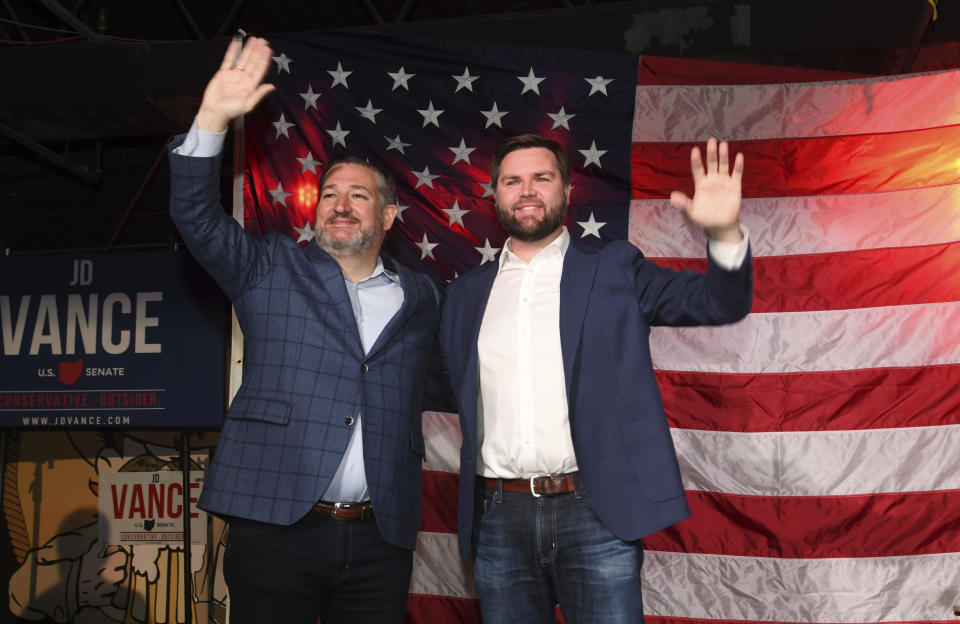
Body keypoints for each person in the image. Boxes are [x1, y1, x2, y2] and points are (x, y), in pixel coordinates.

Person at [169, 37, 442, 624]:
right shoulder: (267, 266)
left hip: (380, 537)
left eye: (358, 196)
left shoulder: (421, 296)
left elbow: (447, 383)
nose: (339, 205)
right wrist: (213, 118)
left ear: (388, 217)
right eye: (330, 194)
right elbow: (195, 216)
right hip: (275, 524)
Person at [440, 133, 753, 623]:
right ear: (494, 194)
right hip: (498, 518)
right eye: (512, 181)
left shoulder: (614, 267)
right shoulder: (465, 296)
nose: (527, 191)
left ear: (566, 190)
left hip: (596, 511)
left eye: (541, 178)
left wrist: (725, 234)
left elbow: (720, 301)